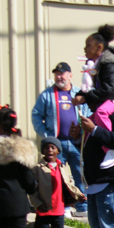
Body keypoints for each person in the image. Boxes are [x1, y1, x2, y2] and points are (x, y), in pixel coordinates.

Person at [30, 62, 91, 217]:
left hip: (77, 143)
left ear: (70, 75)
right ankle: (65, 207)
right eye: (56, 74)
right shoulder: (47, 95)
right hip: (57, 145)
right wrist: (47, 136)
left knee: (81, 173)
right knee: (58, 176)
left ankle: (83, 206)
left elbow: (89, 113)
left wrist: (83, 131)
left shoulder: (80, 93)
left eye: (62, 73)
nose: (59, 76)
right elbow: (36, 115)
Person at [72, 24, 114, 170]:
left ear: (99, 48)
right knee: (92, 119)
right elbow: (91, 87)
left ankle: (111, 149)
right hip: (113, 97)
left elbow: (108, 90)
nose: (84, 48)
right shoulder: (96, 66)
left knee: (101, 112)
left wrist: (86, 98)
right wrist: (79, 95)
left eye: (88, 45)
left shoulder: (110, 65)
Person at [29, 137, 86, 228]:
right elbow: (32, 190)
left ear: (58, 151)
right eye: (46, 147)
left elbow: (69, 184)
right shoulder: (37, 168)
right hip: (44, 209)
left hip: (59, 209)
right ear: (42, 151)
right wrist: (37, 204)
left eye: (53, 147)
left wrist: (79, 195)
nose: (49, 150)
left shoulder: (62, 167)